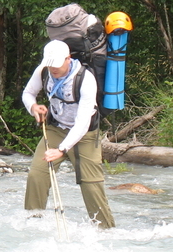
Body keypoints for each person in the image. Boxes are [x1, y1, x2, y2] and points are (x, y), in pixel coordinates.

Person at [22, 39, 115, 228]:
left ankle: (105, 230)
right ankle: (33, 224)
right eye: (50, 65)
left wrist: (62, 150)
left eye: (57, 65)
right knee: (36, 176)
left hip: (85, 135)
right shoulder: (43, 71)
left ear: (68, 59)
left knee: (91, 185)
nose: (53, 69)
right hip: (56, 129)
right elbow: (28, 93)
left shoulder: (85, 79)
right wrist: (33, 107)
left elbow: (82, 123)